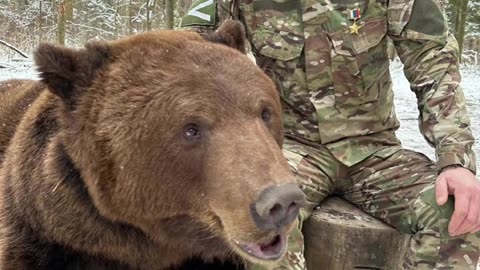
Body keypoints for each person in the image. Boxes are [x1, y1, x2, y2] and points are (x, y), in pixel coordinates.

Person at [180, 0, 480, 269]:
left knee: (457, 213)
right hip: (288, 149)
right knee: (262, 221)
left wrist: (456, 160)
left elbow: (433, 64)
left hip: (376, 151)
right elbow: (190, 56)